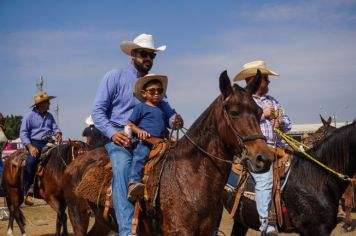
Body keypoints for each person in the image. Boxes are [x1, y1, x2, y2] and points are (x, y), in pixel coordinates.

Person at [92, 33, 183, 236]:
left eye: (152, 55)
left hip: (154, 140)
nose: (148, 59)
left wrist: (174, 120)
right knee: (123, 168)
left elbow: (168, 113)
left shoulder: (156, 86)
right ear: (133, 54)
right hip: (121, 138)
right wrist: (113, 134)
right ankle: (127, 231)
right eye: (144, 54)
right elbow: (97, 111)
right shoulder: (114, 76)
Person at [234, 60, 292, 236]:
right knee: (265, 181)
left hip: (279, 147)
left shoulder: (272, 101)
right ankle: (266, 225)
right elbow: (240, 122)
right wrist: (262, 114)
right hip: (256, 151)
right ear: (255, 80)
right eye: (266, 79)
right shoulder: (244, 100)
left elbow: (288, 122)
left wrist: (280, 121)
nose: (269, 82)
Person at [126, 74, 174, 201]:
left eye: (159, 90)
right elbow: (130, 124)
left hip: (162, 140)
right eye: (152, 91)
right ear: (144, 93)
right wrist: (139, 131)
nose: (156, 93)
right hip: (146, 141)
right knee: (140, 156)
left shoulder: (162, 108)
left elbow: (163, 126)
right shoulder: (140, 107)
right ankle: (133, 182)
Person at [20, 91, 62, 206]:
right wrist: (30, 147)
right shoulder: (29, 116)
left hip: (49, 142)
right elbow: (23, 133)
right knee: (31, 162)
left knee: (61, 157)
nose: (49, 104)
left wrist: (58, 133)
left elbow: (55, 128)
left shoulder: (50, 116)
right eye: (47, 102)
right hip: (35, 142)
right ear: (40, 104)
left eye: (48, 102)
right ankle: (27, 190)